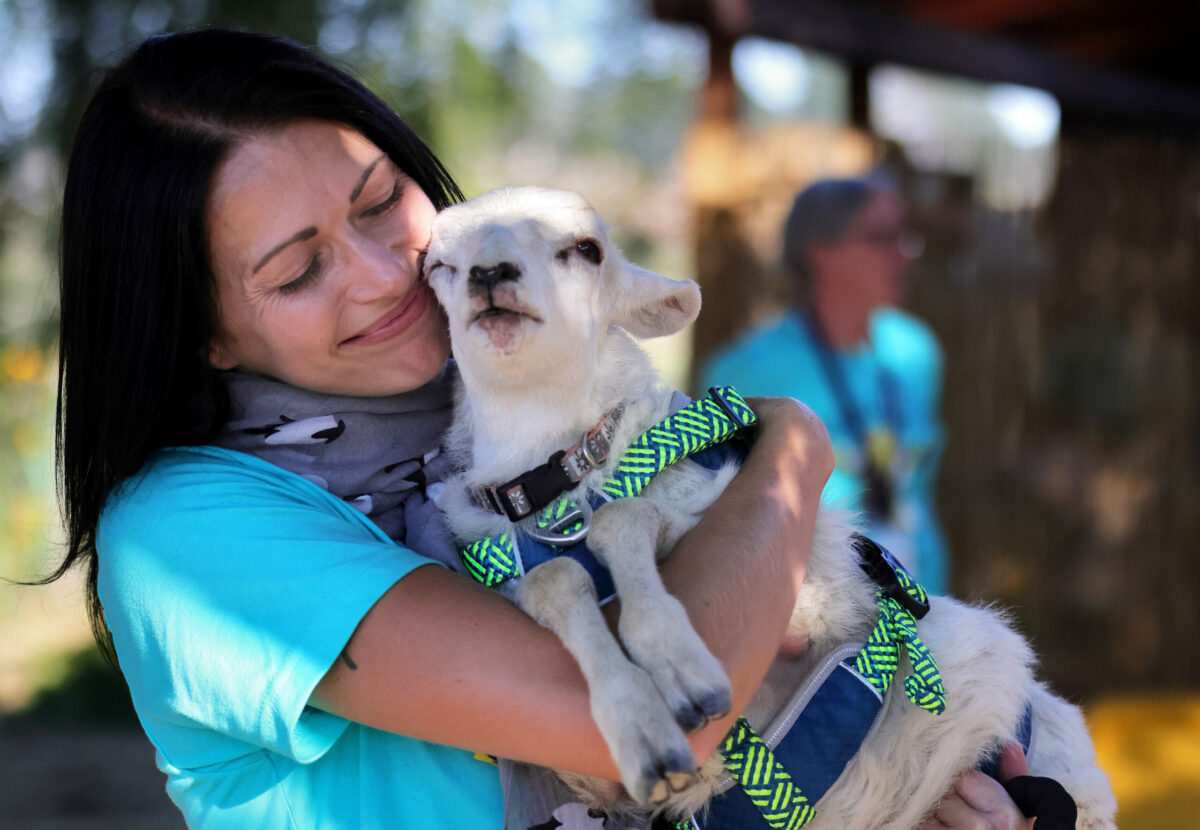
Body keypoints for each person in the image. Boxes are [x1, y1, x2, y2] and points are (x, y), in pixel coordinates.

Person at [50, 29, 1028, 830]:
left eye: (382, 200)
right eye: (299, 271)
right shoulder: (189, 534)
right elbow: (653, 725)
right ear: (206, 332)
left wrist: (902, 777)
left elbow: (772, 688)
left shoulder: (513, 421)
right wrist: (793, 454)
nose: (384, 272)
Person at [700, 175, 951, 595]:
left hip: (923, 611)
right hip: (810, 627)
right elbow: (723, 516)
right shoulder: (743, 371)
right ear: (821, 253)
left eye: (903, 236)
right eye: (881, 237)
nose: (903, 255)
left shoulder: (917, 352)